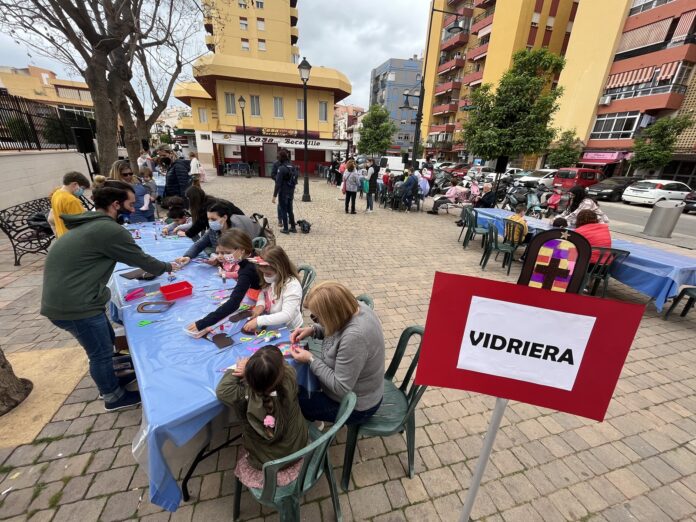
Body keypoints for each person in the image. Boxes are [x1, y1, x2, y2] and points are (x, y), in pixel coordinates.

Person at [41, 185, 178, 411]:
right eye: (131, 204)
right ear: (116, 205)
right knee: (100, 354)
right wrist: (168, 266)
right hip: (75, 305)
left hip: (74, 299)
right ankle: (112, 396)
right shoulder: (108, 230)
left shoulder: (93, 224)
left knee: (106, 338)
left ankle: (112, 377)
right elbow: (140, 260)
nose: (133, 208)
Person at [289, 282, 385, 424]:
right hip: (360, 389)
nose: (316, 320)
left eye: (317, 317)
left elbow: (341, 387)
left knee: (292, 400)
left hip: (357, 407)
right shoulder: (352, 307)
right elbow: (335, 330)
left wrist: (311, 359)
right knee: (302, 384)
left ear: (331, 315)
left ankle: (306, 429)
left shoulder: (355, 337)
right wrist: (313, 330)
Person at [216, 346, 308, 488]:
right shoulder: (290, 377)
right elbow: (283, 364)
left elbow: (222, 390)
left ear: (249, 379)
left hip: (264, 461)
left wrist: (239, 367)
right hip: (298, 445)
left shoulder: (243, 396)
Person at [184, 229, 260, 336]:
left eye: (227, 253)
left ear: (241, 250)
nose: (224, 256)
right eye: (221, 253)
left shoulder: (247, 270)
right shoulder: (251, 258)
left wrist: (203, 323)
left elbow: (233, 303)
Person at [242, 246, 303, 332]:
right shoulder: (273, 278)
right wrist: (260, 304)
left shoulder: (292, 286)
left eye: (268, 274)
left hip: (290, 329)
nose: (265, 276)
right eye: (263, 273)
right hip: (274, 323)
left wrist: (258, 320)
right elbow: (263, 292)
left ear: (281, 269)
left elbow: (286, 315)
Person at [48, 171, 91, 237]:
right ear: (75, 184)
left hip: (62, 236)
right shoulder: (71, 200)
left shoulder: (56, 195)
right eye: (82, 188)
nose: (82, 191)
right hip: (74, 237)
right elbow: (81, 224)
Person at [272, 149, 298, 234]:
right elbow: (296, 179)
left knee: (283, 210)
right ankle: (293, 227)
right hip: (291, 191)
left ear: (281, 158)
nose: (278, 158)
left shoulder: (281, 168)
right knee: (290, 210)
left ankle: (286, 229)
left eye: (278, 157)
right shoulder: (292, 167)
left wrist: (274, 196)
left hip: (283, 192)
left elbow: (278, 184)